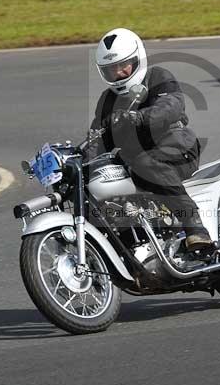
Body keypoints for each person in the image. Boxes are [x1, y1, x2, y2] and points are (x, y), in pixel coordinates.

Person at [85, 27, 212, 251]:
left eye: (123, 65)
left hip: (176, 148)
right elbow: (97, 136)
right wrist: (80, 160)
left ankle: (195, 228)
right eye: (111, 69)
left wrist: (138, 117)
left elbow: (171, 106)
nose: (119, 73)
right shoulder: (107, 100)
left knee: (145, 164)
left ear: (138, 59)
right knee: (93, 182)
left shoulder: (157, 77)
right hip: (135, 163)